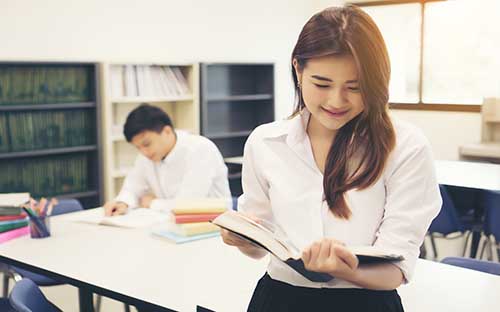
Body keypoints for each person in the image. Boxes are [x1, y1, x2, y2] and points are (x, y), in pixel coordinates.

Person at [221, 5, 441, 312]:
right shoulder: (266, 142)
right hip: (279, 300)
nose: (336, 101)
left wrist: (342, 267)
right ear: (298, 69)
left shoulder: (405, 147)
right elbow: (260, 246)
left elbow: (396, 268)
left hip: (365, 303)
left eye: (355, 87)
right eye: (322, 84)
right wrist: (242, 239)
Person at [103, 103, 231, 216]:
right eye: (138, 148)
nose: (143, 152)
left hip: (213, 228)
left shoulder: (200, 149)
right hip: (170, 224)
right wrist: (123, 202)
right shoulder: (146, 155)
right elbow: (132, 187)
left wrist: (152, 203)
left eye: (147, 144)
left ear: (167, 131)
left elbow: (187, 205)